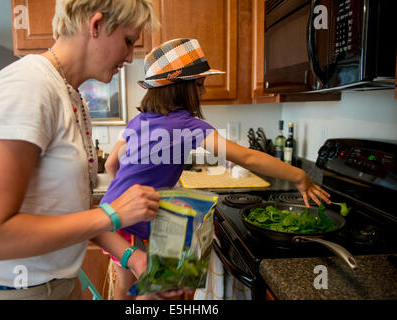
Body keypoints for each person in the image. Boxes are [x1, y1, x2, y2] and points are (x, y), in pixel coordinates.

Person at [0, 0, 161, 300]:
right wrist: (112, 214)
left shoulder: (70, 94)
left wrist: (132, 257)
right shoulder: (28, 85)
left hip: (60, 286)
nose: (130, 56)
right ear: (96, 25)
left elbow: (70, 211)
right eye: (128, 41)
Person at [101, 38, 332, 299]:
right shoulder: (186, 125)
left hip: (112, 215)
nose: (204, 92)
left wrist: (123, 192)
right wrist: (299, 176)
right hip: (138, 217)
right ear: (180, 88)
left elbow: (112, 164)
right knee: (156, 290)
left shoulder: (138, 119)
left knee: (124, 284)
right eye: (199, 84)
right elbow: (247, 157)